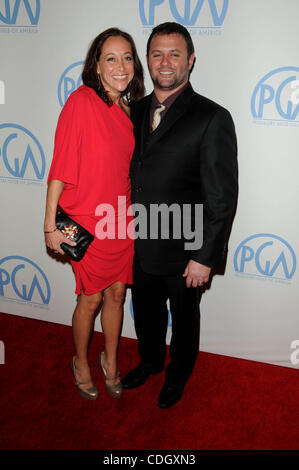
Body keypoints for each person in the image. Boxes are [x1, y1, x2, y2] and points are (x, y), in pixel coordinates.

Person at [122, 22, 238, 408]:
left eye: (174, 54)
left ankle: (178, 374)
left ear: (190, 60)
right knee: (146, 315)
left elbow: (221, 196)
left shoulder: (211, 117)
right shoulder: (132, 110)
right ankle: (151, 361)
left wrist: (205, 256)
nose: (165, 62)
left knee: (185, 321)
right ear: (147, 60)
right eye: (157, 53)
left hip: (186, 250)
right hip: (137, 244)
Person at [44, 28, 144, 400]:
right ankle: (80, 362)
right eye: (111, 59)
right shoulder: (81, 102)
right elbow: (60, 165)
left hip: (120, 219)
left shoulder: (130, 110)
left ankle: (111, 360)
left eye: (128, 57)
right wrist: (49, 224)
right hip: (83, 219)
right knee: (91, 297)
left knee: (117, 294)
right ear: (97, 66)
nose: (121, 66)